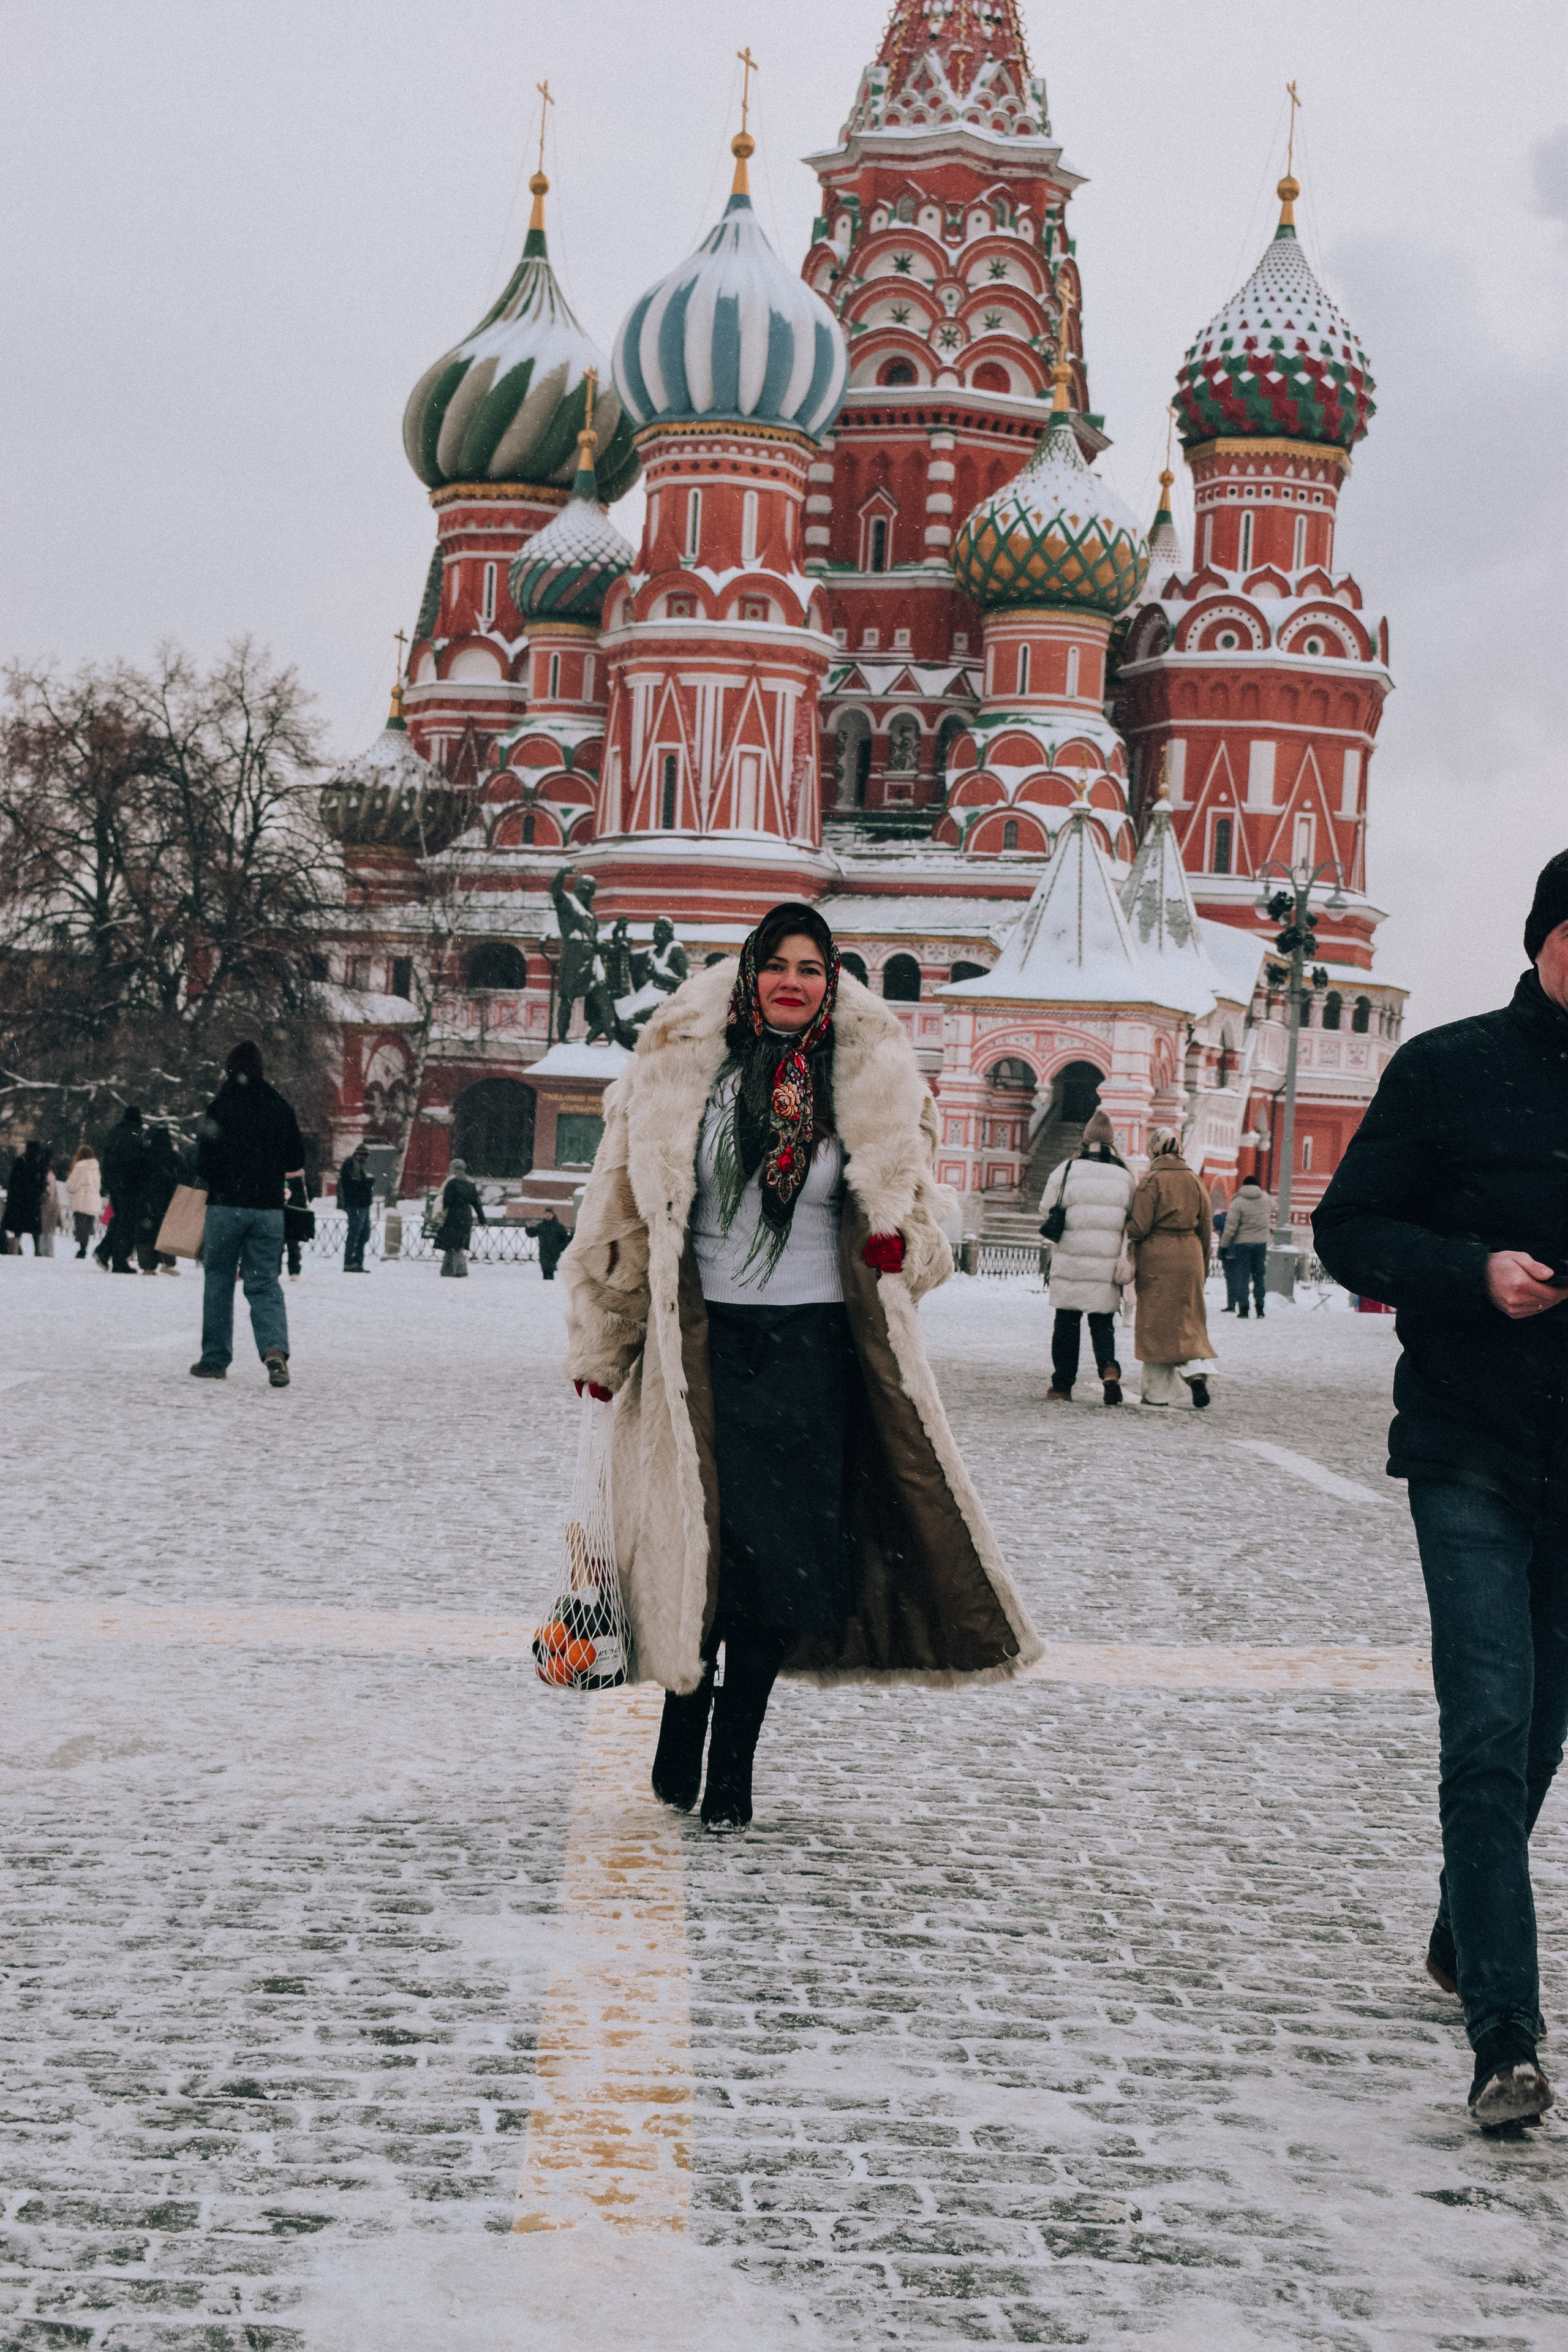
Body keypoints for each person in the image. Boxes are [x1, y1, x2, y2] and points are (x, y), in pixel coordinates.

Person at [562, 902, 1041, 1834]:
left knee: (778, 1569)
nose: (792, 982)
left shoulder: (871, 1083)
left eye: (810, 968)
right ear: (750, 977)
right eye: (776, 965)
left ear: (831, 982)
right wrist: (602, 1345)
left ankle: (733, 1761)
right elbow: (618, 1215)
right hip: (701, 1352)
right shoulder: (678, 1077)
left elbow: (924, 1214)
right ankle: (683, 1714)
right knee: (703, 1549)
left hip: (815, 1358)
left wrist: (909, 1249)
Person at [1313, 849, 1568, 2130]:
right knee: (1482, 1726)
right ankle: (1503, 2038)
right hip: (1468, 1442)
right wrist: (1474, 1272)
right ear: (1543, 940)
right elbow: (1346, 1228)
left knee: (1536, 1738)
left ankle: (1457, 1927)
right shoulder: (1448, 1067)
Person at [190, 1039, 307, 1387]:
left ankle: (214, 1360)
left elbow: (203, 1163)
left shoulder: (220, 1108)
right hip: (268, 1210)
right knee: (264, 1282)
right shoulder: (280, 1108)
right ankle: (274, 1351)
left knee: (219, 1282)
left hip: (225, 1207)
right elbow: (296, 1161)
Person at [1038, 1109, 1136, 1407]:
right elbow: (1131, 1216)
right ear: (1111, 1140)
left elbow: (1046, 1208)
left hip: (1070, 1259)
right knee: (1102, 1323)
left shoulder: (1067, 1169)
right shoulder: (1125, 1175)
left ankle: (1063, 1385)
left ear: (1086, 1139)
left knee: (1067, 1324)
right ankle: (1109, 1370)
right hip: (1106, 1264)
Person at [1128, 1127, 1218, 1408]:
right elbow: (1206, 1227)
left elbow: (1139, 1227)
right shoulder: (1194, 1180)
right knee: (1188, 1320)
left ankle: (1158, 1393)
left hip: (1158, 1256)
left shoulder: (1151, 1180)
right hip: (1190, 1255)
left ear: (1154, 1149)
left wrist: (1126, 1227)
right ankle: (1196, 1373)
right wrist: (1201, 1264)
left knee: (1156, 1324)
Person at [100, 1106, 146, 1274]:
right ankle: (119, 1259)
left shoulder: (116, 1133)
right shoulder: (134, 1135)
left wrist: (107, 1181)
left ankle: (104, 1252)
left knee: (119, 1219)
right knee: (127, 1222)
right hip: (128, 1185)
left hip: (114, 1183)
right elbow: (134, 1162)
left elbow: (108, 1158)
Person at [135, 1126, 183, 1275]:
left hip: (146, 1198)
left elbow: (137, 1175)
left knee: (147, 1232)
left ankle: (148, 1266)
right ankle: (168, 1262)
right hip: (169, 1198)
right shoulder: (173, 1156)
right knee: (167, 1229)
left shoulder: (145, 1154)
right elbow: (183, 1174)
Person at [1225, 1174, 1273, 1319]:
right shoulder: (1266, 1199)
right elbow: (1275, 1206)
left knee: (1243, 1276)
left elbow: (1231, 1225)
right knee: (1259, 1276)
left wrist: (1224, 1244)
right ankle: (1260, 1308)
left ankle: (1244, 1309)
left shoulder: (1238, 1201)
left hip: (1243, 1244)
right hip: (1261, 1243)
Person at [435, 1158, 486, 1276]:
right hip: (466, 1216)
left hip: (453, 1215)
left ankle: (459, 1269)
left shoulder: (451, 1182)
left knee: (452, 1244)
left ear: (453, 1169)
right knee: (459, 1242)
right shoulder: (471, 1183)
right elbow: (477, 1203)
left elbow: (447, 1201)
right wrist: (482, 1219)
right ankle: (447, 1270)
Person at [2, 1139, 47, 1256]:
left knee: (19, 1227)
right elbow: (41, 1182)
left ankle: (16, 1249)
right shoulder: (38, 1164)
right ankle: (37, 1250)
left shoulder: (20, 1162)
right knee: (35, 1229)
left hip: (19, 1201)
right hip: (32, 1201)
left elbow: (13, 1182)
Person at [338, 1142, 375, 1272]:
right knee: (355, 1233)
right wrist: (368, 1182)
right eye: (364, 1155)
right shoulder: (351, 1164)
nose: (365, 1158)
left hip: (363, 1204)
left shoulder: (358, 1165)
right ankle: (350, 1262)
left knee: (363, 1234)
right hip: (356, 1205)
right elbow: (353, 1184)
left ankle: (357, 1262)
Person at [66, 1144, 101, 1256]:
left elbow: (71, 1185)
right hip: (93, 1199)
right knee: (87, 1226)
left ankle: (82, 1248)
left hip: (81, 1199)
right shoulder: (96, 1167)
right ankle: (84, 1246)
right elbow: (98, 1186)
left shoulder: (80, 1166)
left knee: (80, 1225)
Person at [525, 1205, 570, 1281]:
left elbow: (565, 1240)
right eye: (546, 1214)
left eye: (550, 1214)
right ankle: (547, 1287)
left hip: (555, 1252)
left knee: (552, 1270)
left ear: (553, 1215)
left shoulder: (559, 1227)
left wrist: (559, 1248)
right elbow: (532, 1234)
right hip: (544, 1252)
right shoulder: (541, 1226)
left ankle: (550, 1287)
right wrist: (529, 1228)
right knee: (545, 1270)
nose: (548, 1215)